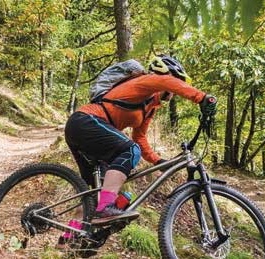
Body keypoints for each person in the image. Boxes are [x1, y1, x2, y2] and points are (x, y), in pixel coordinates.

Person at [64, 54, 217, 226]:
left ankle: (71, 236)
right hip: (85, 121)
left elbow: (139, 137)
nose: (174, 92)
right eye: (176, 81)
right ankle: (105, 208)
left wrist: (157, 160)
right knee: (130, 150)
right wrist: (202, 97)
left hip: (87, 131)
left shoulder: (149, 107)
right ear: (165, 75)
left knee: (93, 192)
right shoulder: (145, 81)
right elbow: (166, 82)